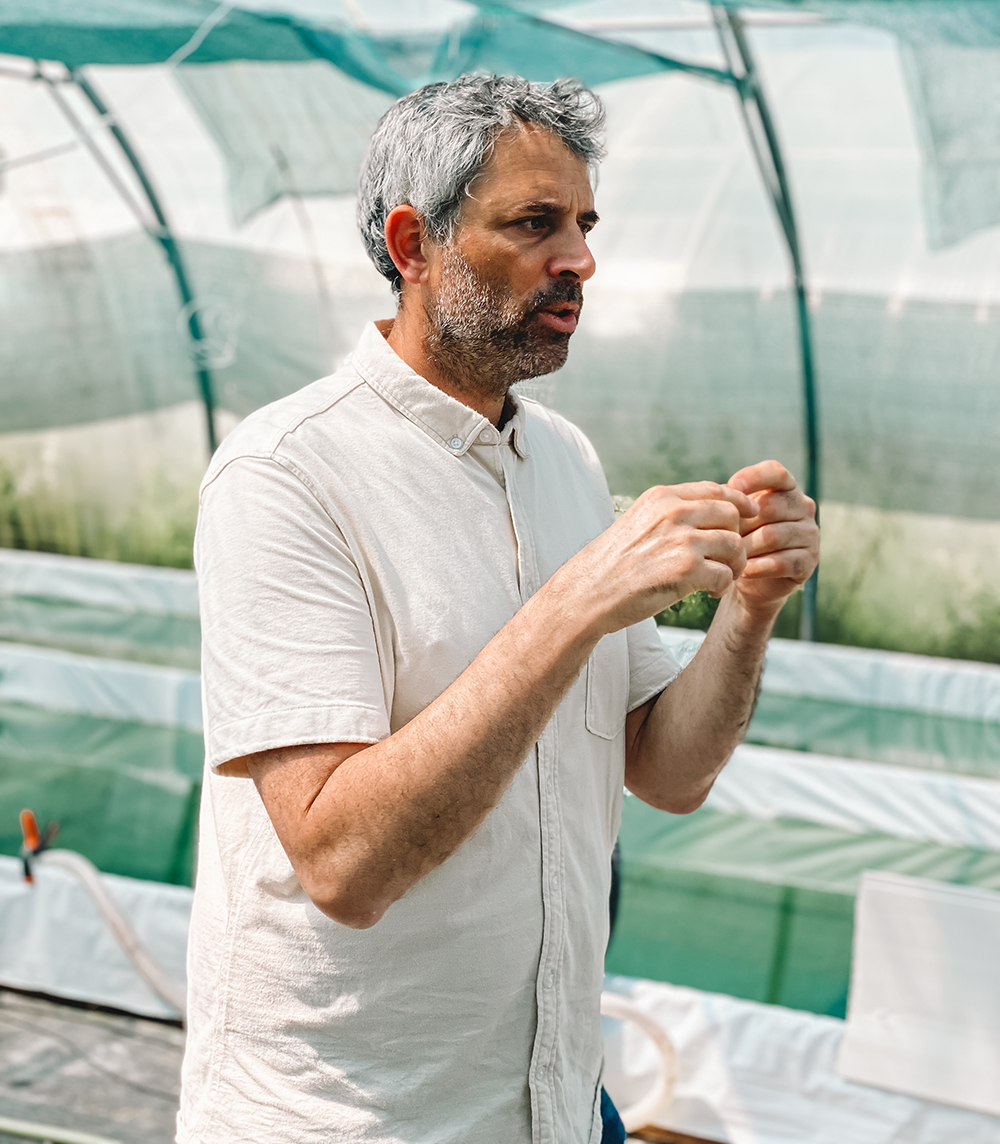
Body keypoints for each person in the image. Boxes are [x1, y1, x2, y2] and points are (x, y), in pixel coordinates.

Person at [177, 74, 819, 1144]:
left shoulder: (560, 460)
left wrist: (749, 608)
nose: (578, 259)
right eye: (532, 223)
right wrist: (576, 599)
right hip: (356, 1122)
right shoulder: (285, 474)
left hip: (551, 1106)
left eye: (582, 224)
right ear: (412, 242)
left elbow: (663, 770)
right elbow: (342, 862)